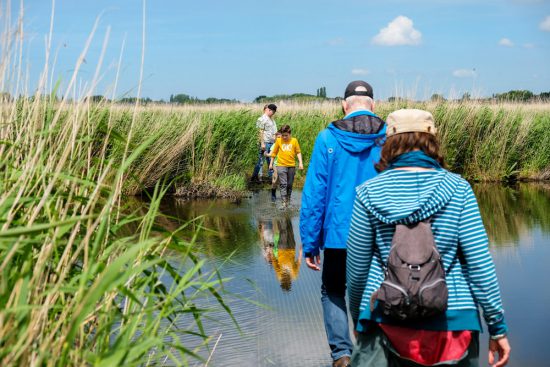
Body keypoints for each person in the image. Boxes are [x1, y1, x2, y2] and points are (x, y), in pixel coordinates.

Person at [346, 109, 511, 367]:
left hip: (384, 317)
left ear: (388, 143)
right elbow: (479, 264)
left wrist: (358, 316)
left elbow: (356, 269)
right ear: (432, 141)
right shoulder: (458, 189)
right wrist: (496, 326)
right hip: (453, 322)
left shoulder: (368, 192)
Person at [300, 81, 386, 367]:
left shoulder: (328, 138)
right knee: (379, 289)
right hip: (379, 234)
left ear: (343, 106)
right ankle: (373, 348)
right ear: (373, 105)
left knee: (334, 290)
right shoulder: (389, 138)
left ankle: (342, 355)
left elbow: (314, 195)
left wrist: (310, 242)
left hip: (339, 234)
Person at [269, 124, 303, 207]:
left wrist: (300, 163)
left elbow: (298, 152)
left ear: (290, 134)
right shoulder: (279, 140)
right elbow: (274, 153)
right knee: (283, 184)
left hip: (291, 165)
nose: (284, 137)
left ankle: (288, 199)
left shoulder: (294, 141)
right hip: (281, 165)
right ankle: (284, 202)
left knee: (290, 184)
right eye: (283, 135)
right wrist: (271, 163)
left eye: (286, 135)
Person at [251, 104, 278, 183]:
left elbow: (274, 132)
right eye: (273, 112)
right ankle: (254, 177)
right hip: (265, 143)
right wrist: (262, 143)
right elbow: (260, 131)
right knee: (260, 161)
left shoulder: (271, 120)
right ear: (269, 110)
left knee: (270, 160)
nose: (273, 113)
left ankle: (271, 178)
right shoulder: (261, 119)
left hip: (271, 143)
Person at [265, 130, 282, 201]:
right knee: (276, 179)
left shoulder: (284, 144)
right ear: (275, 138)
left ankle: (284, 196)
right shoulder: (274, 145)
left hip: (283, 164)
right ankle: (273, 194)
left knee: (282, 180)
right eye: (277, 137)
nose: (279, 139)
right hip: (276, 164)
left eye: (280, 137)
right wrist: (266, 154)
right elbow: (271, 154)